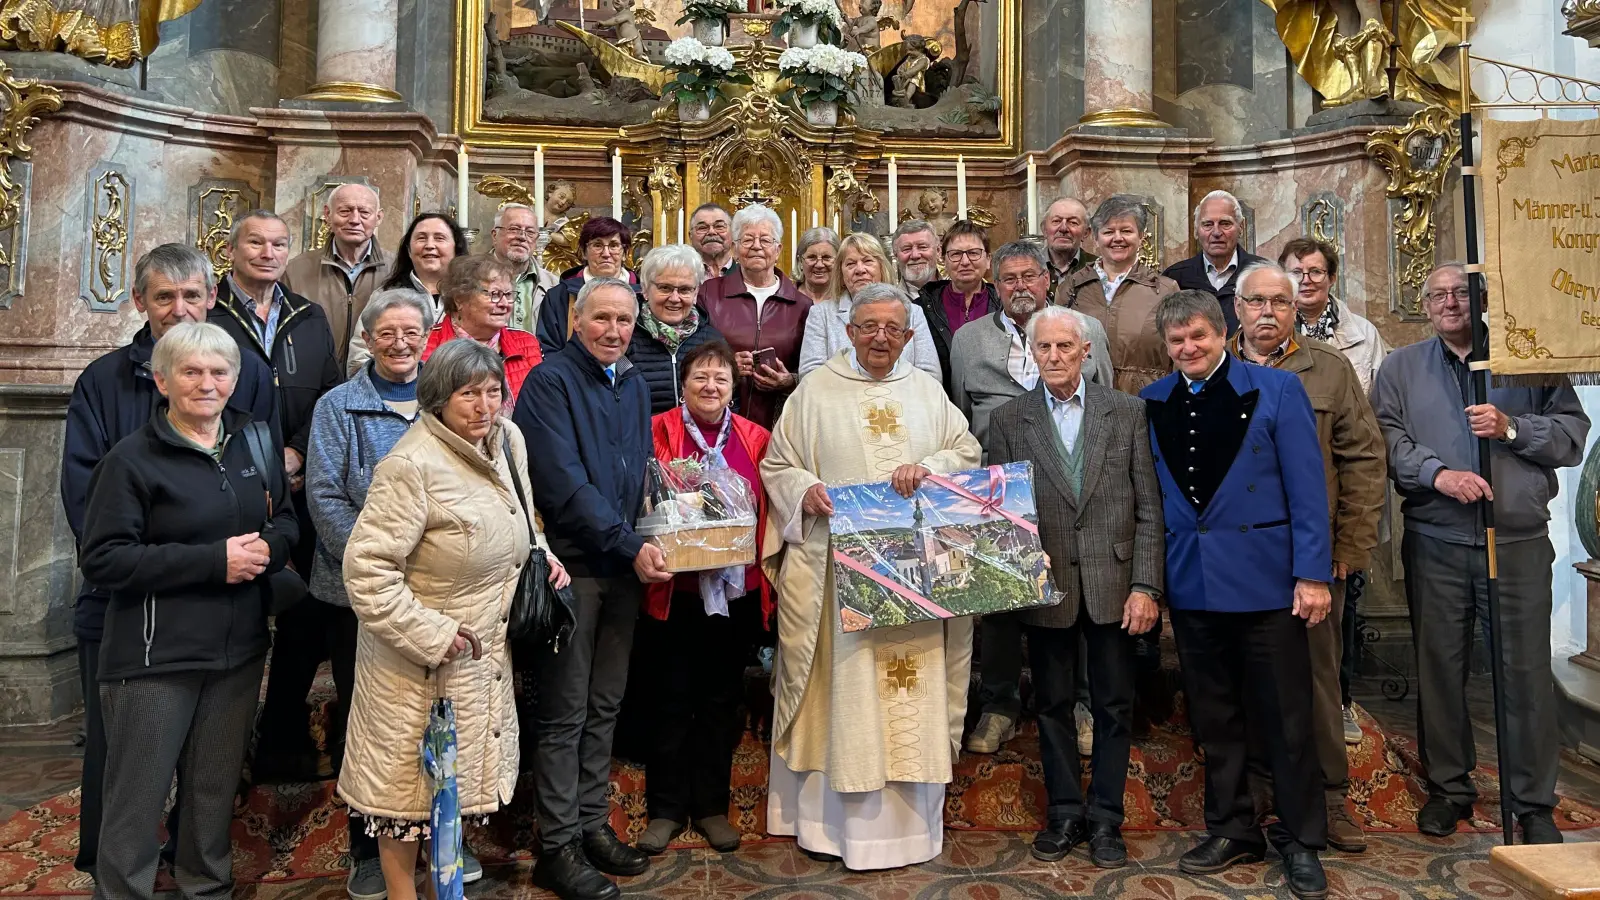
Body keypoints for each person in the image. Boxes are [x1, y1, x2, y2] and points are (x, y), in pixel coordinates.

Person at [61, 244, 276, 877]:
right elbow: (89, 506)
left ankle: (195, 872)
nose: (179, 309)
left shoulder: (246, 374)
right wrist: (193, 559)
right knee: (127, 765)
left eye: (191, 295)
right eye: (164, 297)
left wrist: (263, 550)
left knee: (209, 775)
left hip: (229, 621)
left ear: (212, 298)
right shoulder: (106, 384)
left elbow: (263, 486)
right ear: (140, 303)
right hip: (131, 614)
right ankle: (115, 872)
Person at [760, 281, 982, 870]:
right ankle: (834, 830)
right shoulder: (814, 392)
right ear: (849, 330)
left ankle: (907, 831)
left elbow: (965, 451)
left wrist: (929, 467)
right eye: (868, 327)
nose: (880, 337)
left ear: (910, 337)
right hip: (838, 577)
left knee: (909, 687)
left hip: (915, 579)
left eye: (892, 328)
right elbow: (778, 464)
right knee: (847, 689)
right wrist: (806, 491)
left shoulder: (928, 392)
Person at [339, 339, 567, 900]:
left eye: (493, 392)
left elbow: (522, 514)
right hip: (418, 663)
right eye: (469, 394)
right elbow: (366, 570)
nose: (484, 406)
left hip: (482, 650)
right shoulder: (411, 466)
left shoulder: (508, 441)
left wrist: (542, 554)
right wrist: (433, 635)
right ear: (439, 398)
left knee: (447, 791)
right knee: (405, 798)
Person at [1372, 262, 1589, 844]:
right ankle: (1450, 789)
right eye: (1438, 295)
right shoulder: (1399, 367)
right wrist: (1437, 474)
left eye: (1460, 294)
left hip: (1515, 541)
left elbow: (1572, 435)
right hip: (1437, 540)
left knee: (1524, 676)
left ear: (1483, 300)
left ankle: (1533, 801)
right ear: (1425, 304)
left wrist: (1512, 427)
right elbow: (1387, 441)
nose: (1449, 303)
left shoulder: (1527, 359)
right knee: (1439, 670)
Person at [1140, 290, 1331, 900]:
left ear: (1223, 333)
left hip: (1268, 581)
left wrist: (1313, 574)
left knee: (1286, 717)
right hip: (1194, 584)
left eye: (1198, 336)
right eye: (1177, 342)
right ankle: (1232, 828)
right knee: (1215, 718)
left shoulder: (1275, 391)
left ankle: (1301, 839)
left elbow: (1308, 490)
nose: (1188, 349)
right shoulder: (1152, 401)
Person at [984, 306, 1164, 868]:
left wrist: (1145, 586)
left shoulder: (1128, 411)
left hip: (1115, 581)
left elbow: (1149, 509)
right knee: (1055, 703)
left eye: (1066, 347)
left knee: (1113, 705)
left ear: (1087, 352)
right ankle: (1064, 810)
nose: (1056, 357)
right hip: (1047, 582)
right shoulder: (1010, 420)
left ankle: (1107, 817)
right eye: (1045, 348)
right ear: (1030, 354)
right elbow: (1000, 512)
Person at [514, 277, 665, 900]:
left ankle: (591, 823)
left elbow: (639, 471)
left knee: (605, 706)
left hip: (622, 567)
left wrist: (667, 524)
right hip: (573, 568)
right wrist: (632, 545)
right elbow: (562, 485)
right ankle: (556, 846)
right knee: (564, 712)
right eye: (600, 318)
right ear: (576, 319)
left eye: (624, 320)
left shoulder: (631, 382)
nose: (612, 330)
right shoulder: (549, 381)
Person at [1230, 262, 1387, 855]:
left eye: (1280, 302)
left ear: (1296, 310)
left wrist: (1350, 545)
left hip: (1311, 557)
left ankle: (1330, 798)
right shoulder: (1215, 366)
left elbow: (1365, 460)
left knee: (1318, 679)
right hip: (1238, 557)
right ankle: (1259, 791)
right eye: (1256, 302)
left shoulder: (1328, 369)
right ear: (1237, 308)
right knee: (1245, 677)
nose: (1267, 313)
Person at [949, 242, 1110, 758]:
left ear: (1048, 280)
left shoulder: (1086, 332)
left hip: (1072, 481)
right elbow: (958, 410)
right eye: (1009, 278)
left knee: (1077, 591)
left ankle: (1081, 701)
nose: (1021, 286)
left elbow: (1103, 402)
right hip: (996, 491)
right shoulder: (969, 340)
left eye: (1030, 276)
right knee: (999, 599)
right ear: (995, 286)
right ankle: (998, 704)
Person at [305, 288, 437, 898]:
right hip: (359, 595)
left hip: (439, 593)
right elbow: (326, 496)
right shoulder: (340, 406)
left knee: (435, 721)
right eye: (387, 332)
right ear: (368, 338)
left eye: (412, 331)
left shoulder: (445, 401)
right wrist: (379, 565)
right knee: (372, 728)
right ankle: (367, 849)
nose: (400, 342)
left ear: (429, 336)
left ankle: (439, 840)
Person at [208, 210, 346, 785]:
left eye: (279, 244)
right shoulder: (210, 315)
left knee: (304, 612)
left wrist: (296, 451)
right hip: (229, 483)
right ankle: (225, 754)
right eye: (256, 243)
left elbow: (332, 393)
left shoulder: (306, 317)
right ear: (232, 249)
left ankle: (285, 734)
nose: (267, 252)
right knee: (237, 615)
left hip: (300, 476)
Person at [635, 340, 773, 856]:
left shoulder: (755, 437)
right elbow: (641, 495)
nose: (710, 387)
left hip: (734, 593)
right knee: (670, 699)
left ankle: (712, 806)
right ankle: (666, 808)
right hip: (675, 590)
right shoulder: (658, 431)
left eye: (719, 379)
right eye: (700, 378)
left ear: (732, 387)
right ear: (684, 384)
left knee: (720, 700)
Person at [698, 203, 811, 430]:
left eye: (765, 240)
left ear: (778, 250)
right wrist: (726, 365)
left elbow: (810, 367)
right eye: (748, 240)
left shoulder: (801, 305)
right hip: (719, 415)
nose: (756, 246)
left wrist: (789, 381)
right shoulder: (709, 293)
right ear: (735, 248)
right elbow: (693, 352)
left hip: (779, 422)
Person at [1059, 194, 1180, 395]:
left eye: (1126, 231)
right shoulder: (1071, 287)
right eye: (1108, 231)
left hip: (1146, 399)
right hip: (1086, 400)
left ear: (1141, 237)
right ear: (1096, 238)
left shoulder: (1165, 290)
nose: (1118, 238)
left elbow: (1179, 352)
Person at [799, 232, 940, 380]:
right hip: (839, 401)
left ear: (882, 267)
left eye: (867, 261)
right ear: (841, 272)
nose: (860, 270)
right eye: (851, 264)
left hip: (901, 401)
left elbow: (930, 375)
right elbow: (810, 375)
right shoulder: (821, 314)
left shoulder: (913, 312)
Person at [282, 183, 388, 368]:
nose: (355, 220)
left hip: (375, 380)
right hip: (312, 379)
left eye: (364, 212)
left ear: (378, 217)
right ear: (327, 214)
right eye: (345, 211)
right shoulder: (295, 270)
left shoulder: (396, 270)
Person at [349, 212, 467, 374]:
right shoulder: (385, 295)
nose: (430, 245)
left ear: (456, 248)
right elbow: (359, 356)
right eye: (421, 238)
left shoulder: (472, 297)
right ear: (409, 250)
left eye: (439, 238)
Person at [423, 255, 543, 410]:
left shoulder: (527, 343)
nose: (504, 304)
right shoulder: (427, 343)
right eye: (494, 294)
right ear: (460, 299)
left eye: (508, 295)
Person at [1278, 237, 1387, 393]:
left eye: (1315, 272)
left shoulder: (1365, 333)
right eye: (1296, 272)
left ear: (1332, 278)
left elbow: (1381, 399)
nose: (1306, 280)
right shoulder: (1266, 328)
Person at [627, 243, 725, 414]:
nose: (674, 298)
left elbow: (731, 401)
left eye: (685, 290)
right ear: (645, 289)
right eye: (665, 288)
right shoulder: (624, 338)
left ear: (695, 294)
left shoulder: (712, 341)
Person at [1161, 190, 1266, 336]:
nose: (1216, 232)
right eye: (1208, 224)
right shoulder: (1176, 277)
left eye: (1225, 223)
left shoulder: (1262, 273)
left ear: (1241, 227)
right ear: (1196, 231)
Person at [536, 216, 640, 356]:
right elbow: (549, 348)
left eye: (614, 245)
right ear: (584, 252)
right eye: (597, 245)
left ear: (624, 253)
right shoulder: (559, 297)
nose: (606, 253)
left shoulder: (643, 295)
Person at [914, 220, 996, 394]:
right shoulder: (921, 309)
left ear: (988, 260)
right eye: (956, 254)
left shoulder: (1004, 306)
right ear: (943, 260)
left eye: (974, 253)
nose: (965, 261)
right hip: (938, 404)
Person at [490, 201, 560, 334]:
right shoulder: (469, 278)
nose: (522, 237)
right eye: (514, 229)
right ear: (495, 235)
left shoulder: (554, 285)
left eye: (530, 232)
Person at [1041, 197, 1097, 302]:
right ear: (1044, 229)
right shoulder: (1027, 266)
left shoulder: (1099, 268)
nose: (1063, 228)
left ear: (1086, 233)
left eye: (1073, 222)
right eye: (1056, 221)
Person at [891, 218, 941, 297]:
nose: (915, 255)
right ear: (896, 256)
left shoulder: (959, 293)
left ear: (938, 251)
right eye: (907, 249)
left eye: (922, 247)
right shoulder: (889, 300)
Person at [689, 203, 735, 278]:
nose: (711, 232)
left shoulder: (746, 274)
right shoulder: (680, 273)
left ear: (732, 233)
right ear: (690, 236)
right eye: (702, 227)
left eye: (719, 226)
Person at [794, 226, 839, 304]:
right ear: (800, 261)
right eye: (812, 257)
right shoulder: (785, 298)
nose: (819, 265)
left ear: (838, 261)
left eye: (826, 257)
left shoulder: (849, 300)